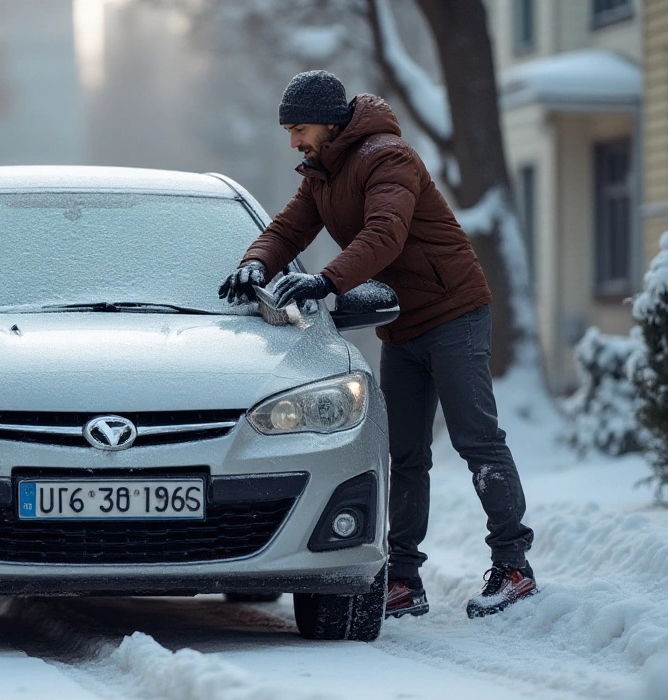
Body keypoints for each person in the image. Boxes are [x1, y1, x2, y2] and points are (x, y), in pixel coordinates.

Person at [218, 70, 536, 619]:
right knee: (405, 454)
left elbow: (384, 233)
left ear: (329, 121)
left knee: (476, 440)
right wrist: (253, 263)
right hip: (403, 322)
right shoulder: (323, 172)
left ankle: (514, 567)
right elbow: (288, 230)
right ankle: (404, 581)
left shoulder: (387, 156)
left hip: (454, 310)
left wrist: (327, 280)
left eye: (298, 129)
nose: (293, 141)